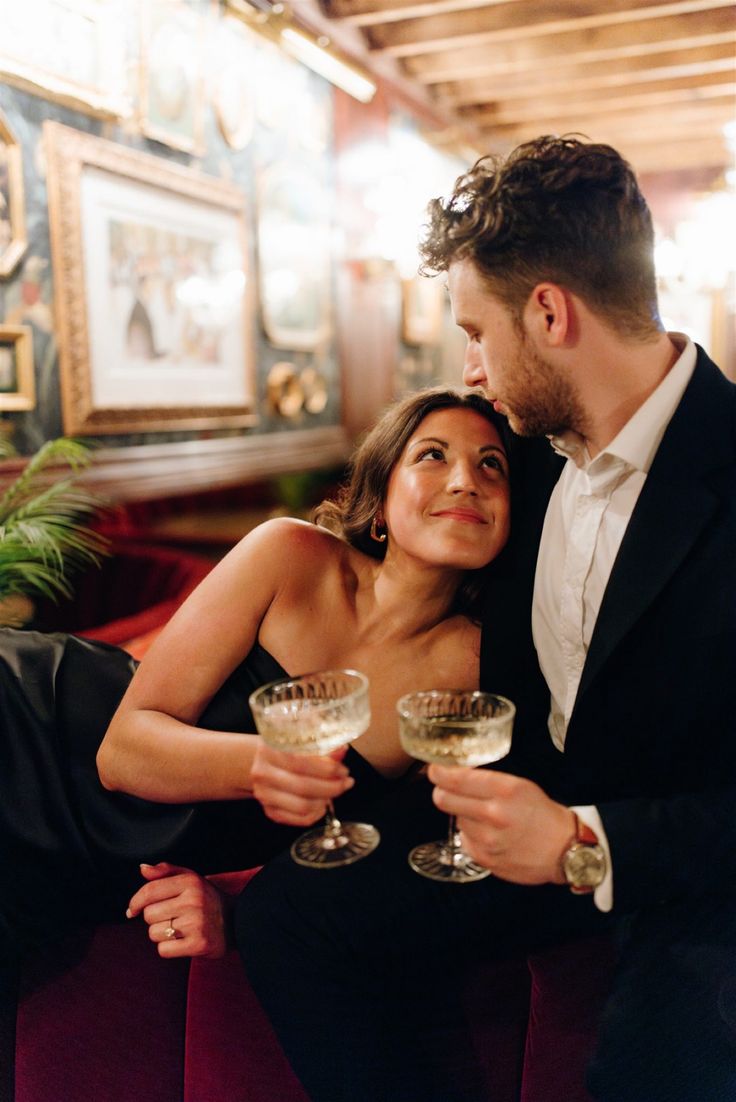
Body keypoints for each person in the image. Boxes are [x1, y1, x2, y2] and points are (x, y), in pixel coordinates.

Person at [229, 136, 736, 1102]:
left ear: (548, 312)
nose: (469, 370)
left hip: (693, 871)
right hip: (510, 822)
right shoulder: (521, 464)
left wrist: (588, 842)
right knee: (289, 918)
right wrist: (227, 875)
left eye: (475, 330)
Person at [97, 386, 512, 956]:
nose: (466, 480)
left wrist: (233, 898)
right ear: (383, 496)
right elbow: (121, 754)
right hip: (43, 749)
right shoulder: (286, 553)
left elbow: (385, 851)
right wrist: (269, 766)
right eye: (432, 455)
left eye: (493, 465)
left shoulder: (480, 671)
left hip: (136, 864)